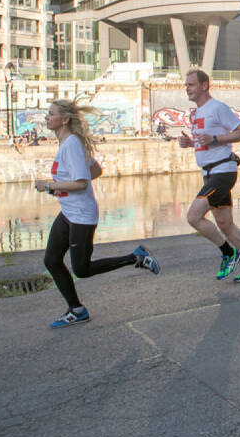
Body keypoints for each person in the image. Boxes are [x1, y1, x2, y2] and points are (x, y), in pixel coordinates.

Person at [37, 99, 159, 329]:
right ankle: (77, 310)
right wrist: (63, 188)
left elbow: (82, 182)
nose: (47, 117)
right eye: (47, 114)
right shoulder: (67, 143)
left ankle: (135, 257)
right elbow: (96, 169)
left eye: (51, 114)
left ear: (64, 119)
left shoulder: (71, 144)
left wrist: (50, 186)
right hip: (69, 212)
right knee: (52, 260)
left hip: (82, 215)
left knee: (81, 270)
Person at [178, 69, 240, 282]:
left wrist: (215, 139)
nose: (187, 88)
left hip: (223, 172)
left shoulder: (217, 108)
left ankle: (228, 253)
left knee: (193, 217)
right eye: (186, 85)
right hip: (209, 173)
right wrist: (191, 143)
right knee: (225, 224)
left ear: (204, 85)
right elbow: (205, 141)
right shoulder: (197, 113)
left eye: (190, 84)